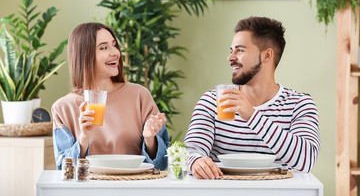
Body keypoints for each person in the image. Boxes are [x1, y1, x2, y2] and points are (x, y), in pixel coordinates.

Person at [184, 16, 320, 179]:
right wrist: (195, 161)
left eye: (240, 50)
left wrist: (251, 115)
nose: (230, 57)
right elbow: (190, 152)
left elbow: (305, 161)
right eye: (231, 50)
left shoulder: (299, 104)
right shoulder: (212, 101)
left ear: (267, 56)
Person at [52, 22, 169, 170]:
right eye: (103, 47)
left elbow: (162, 165)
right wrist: (84, 139)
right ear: (84, 55)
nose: (115, 52)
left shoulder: (139, 95)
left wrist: (150, 139)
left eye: (114, 45)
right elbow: (64, 169)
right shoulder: (62, 108)